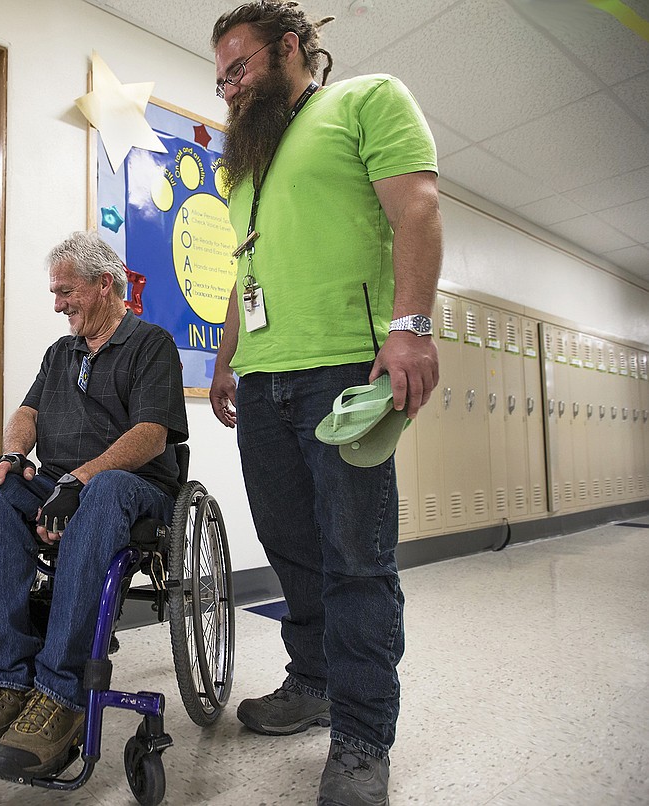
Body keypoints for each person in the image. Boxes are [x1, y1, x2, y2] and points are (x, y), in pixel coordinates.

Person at [208, 3, 442, 805]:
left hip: (345, 369)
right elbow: (246, 274)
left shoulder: (366, 99)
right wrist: (226, 362)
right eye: (220, 81)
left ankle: (362, 737)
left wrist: (410, 329)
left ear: (292, 47)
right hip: (265, 380)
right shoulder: (240, 166)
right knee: (292, 549)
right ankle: (312, 681)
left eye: (238, 69)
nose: (229, 90)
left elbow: (416, 207)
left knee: (355, 556)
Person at [0, 230, 188, 780]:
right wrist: (9, 455)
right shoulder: (60, 353)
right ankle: (5, 680)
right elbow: (26, 413)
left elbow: (150, 435)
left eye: (66, 291)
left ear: (103, 285)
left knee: (104, 491)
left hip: (131, 489)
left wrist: (80, 480)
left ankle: (61, 691)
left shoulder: (151, 344)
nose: (57, 304)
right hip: (59, 484)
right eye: (54, 293)